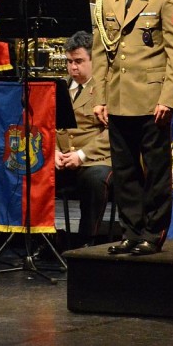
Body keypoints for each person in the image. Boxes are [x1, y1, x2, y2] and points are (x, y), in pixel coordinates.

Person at [92, 0, 173, 256]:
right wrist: (99, 97)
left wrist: (168, 98)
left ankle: (152, 232)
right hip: (118, 96)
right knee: (124, 171)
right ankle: (131, 232)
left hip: (151, 99)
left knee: (156, 170)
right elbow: (100, 53)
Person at [55, 31, 112, 247]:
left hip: (96, 159)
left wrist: (81, 154)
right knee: (33, 169)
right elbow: (46, 126)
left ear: (93, 60)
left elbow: (113, 132)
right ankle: (45, 236)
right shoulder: (60, 87)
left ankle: (88, 240)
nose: (73, 67)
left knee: (95, 179)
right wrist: (53, 152)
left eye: (78, 61)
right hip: (62, 158)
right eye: (69, 62)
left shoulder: (106, 89)